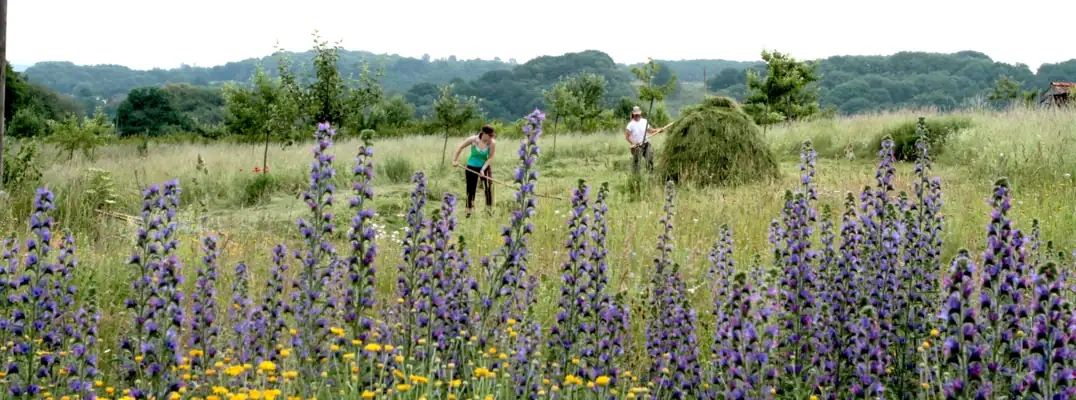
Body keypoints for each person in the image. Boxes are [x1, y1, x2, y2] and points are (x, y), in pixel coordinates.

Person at [452, 125, 497, 218]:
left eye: (492, 135)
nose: (491, 137)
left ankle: (489, 210)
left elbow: (490, 157)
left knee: (488, 187)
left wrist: (483, 169)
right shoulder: (473, 139)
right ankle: (469, 211)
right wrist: (454, 160)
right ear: (484, 133)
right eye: (490, 135)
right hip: (471, 167)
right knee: (470, 189)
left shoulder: (492, 143)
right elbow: (460, 147)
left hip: (484, 167)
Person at [625, 106, 659, 173]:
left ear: (640, 113)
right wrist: (633, 143)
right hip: (637, 146)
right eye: (636, 114)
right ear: (633, 114)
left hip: (646, 144)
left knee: (650, 160)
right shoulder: (630, 125)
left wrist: (658, 130)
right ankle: (635, 176)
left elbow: (650, 130)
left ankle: (650, 174)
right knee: (636, 163)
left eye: (638, 114)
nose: (637, 115)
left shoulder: (644, 121)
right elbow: (627, 136)